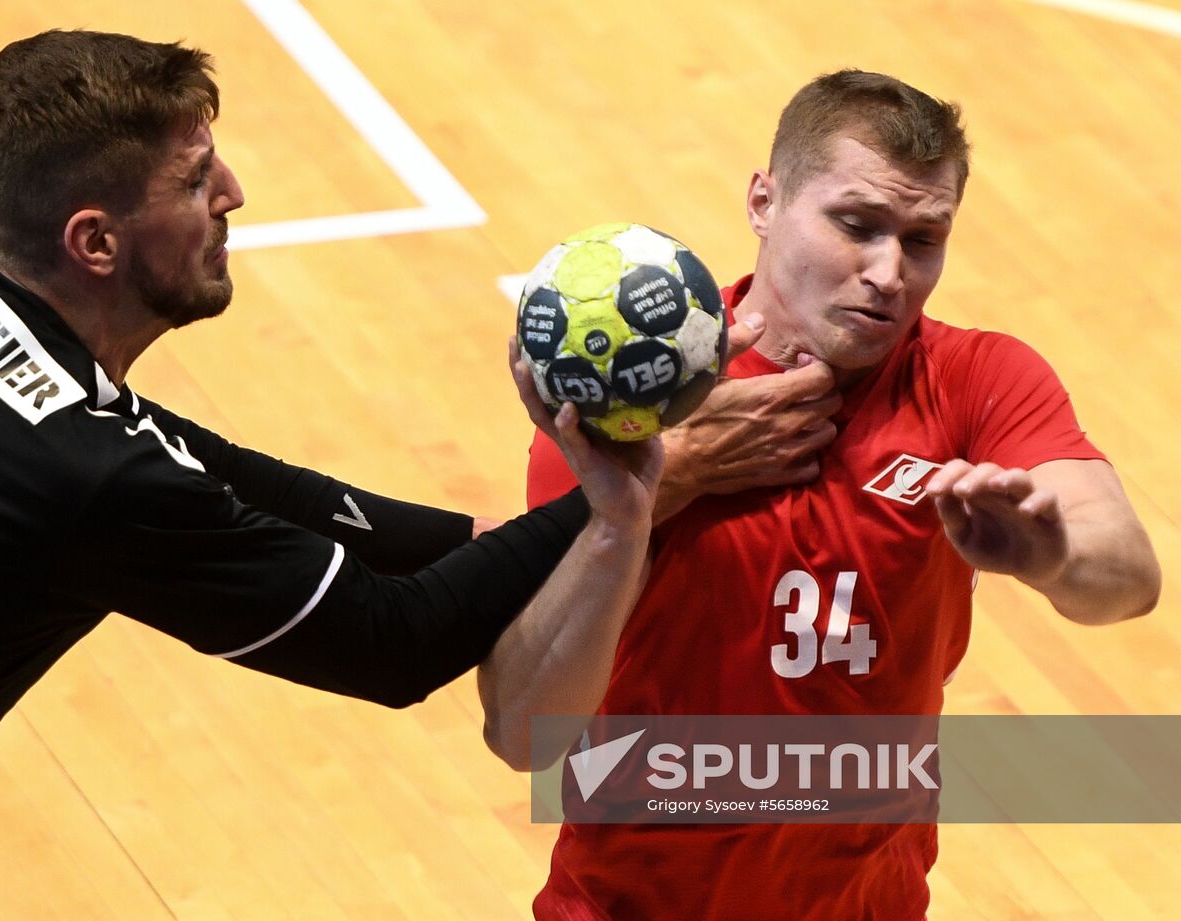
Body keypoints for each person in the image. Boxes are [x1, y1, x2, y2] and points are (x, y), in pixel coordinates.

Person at [0, 30, 661, 920]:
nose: (234, 193)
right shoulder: (82, 479)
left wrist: (468, 542)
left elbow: (212, 469)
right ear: (95, 241)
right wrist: (638, 497)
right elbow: (395, 644)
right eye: (196, 181)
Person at [484, 69, 1162, 919]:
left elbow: (1128, 577)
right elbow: (522, 730)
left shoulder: (979, 379)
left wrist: (1050, 551)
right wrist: (658, 491)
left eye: (923, 239)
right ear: (764, 201)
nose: (888, 273)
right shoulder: (632, 411)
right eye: (857, 225)